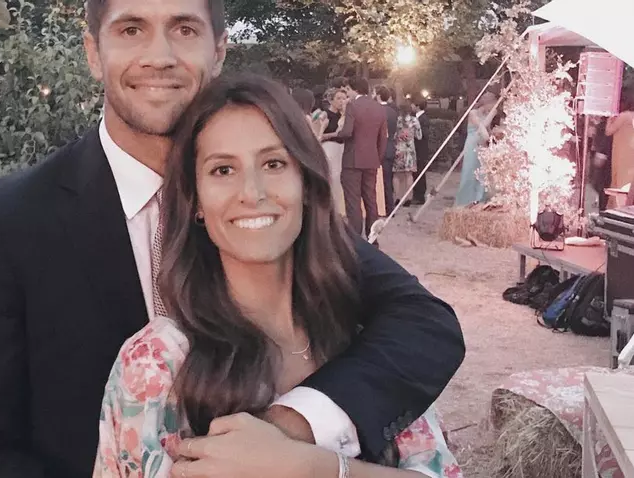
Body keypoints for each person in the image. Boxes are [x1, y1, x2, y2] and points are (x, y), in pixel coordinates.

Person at [0, 0, 465, 476]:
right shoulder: (14, 219)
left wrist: (291, 429)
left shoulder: (268, 207)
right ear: (93, 52)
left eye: (184, 28)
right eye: (131, 29)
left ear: (219, 50)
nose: (159, 56)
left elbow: (424, 325)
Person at [94, 74, 463, 478]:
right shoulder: (157, 365)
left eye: (273, 164)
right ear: (196, 200)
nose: (252, 193)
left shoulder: (371, 336)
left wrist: (316, 468)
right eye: (222, 170)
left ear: (305, 182)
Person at [336, 77, 389, 237]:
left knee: (353, 202)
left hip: (352, 160)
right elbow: (383, 137)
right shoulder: (379, 108)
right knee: (371, 200)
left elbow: (347, 132)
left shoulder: (352, 106)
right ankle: (372, 237)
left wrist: (336, 134)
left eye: (348, 90)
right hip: (371, 160)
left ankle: (355, 238)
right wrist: (378, 157)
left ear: (355, 89)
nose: (347, 94)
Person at [455, 93, 497, 207]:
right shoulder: (473, 113)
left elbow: (487, 130)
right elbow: (481, 127)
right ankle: (465, 200)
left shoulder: (486, 114)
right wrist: (491, 115)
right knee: (470, 171)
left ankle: (479, 199)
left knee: (482, 173)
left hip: (483, 146)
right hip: (472, 145)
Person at [321, 87, 350, 215]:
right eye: (338, 98)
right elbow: (319, 135)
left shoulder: (345, 116)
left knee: (341, 179)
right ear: (331, 100)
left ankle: (341, 209)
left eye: (344, 98)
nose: (341, 101)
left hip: (342, 149)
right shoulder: (325, 115)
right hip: (329, 148)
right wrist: (334, 134)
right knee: (332, 177)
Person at [393, 104, 422, 207]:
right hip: (410, 150)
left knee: (397, 175)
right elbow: (419, 136)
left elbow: (394, 136)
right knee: (409, 175)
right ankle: (409, 198)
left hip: (399, 150)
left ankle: (397, 197)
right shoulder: (414, 120)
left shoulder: (397, 121)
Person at [376, 86, 398, 212]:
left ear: (378, 95)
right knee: (388, 179)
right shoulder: (393, 111)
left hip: (380, 148)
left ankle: (384, 207)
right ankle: (390, 207)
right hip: (391, 147)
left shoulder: (378, 110)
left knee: (381, 180)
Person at [411, 99, 431, 206]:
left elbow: (424, 135)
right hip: (416, 150)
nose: (411, 106)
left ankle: (420, 196)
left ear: (417, 106)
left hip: (420, 150)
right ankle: (416, 194)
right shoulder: (416, 117)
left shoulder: (423, 119)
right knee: (416, 172)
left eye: (412, 104)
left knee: (420, 173)